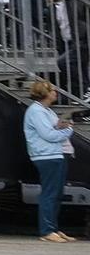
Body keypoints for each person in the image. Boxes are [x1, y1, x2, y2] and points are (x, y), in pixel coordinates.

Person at [25, 79, 76, 242]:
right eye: (53, 90)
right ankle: (46, 230)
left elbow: (53, 128)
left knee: (57, 193)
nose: (56, 92)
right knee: (50, 193)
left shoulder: (47, 111)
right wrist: (68, 130)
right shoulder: (37, 111)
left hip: (54, 154)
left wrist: (62, 125)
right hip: (46, 155)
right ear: (45, 93)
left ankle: (53, 227)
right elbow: (49, 135)